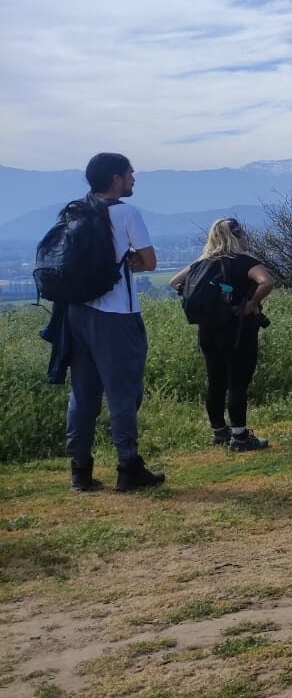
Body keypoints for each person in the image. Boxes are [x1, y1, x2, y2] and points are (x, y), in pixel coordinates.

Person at [63, 153, 165, 493]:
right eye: (129, 173)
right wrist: (131, 259)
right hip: (117, 315)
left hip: (76, 313)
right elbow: (149, 261)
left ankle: (80, 470)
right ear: (116, 179)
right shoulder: (126, 213)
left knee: (83, 394)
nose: (134, 177)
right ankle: (128, 467)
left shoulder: (74, 210)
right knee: (123, 393)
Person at [168, 218, 276, 452]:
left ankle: (219, 432)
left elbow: (175, 282)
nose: (246, 237)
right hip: (238, 330)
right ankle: (240, 437)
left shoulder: (202, 263)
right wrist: (252, 303)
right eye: (243, 233)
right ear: (236, 236)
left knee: (215, 381)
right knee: (237, 382)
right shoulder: (245, 262)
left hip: (208, 330)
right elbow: (266, 282)